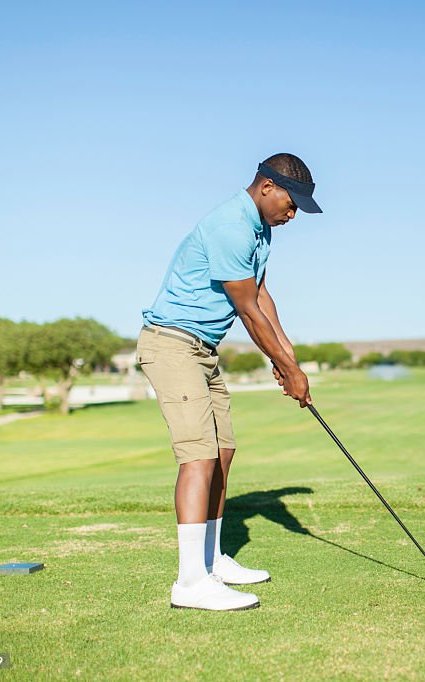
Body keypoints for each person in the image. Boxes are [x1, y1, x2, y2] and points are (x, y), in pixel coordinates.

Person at [137, 153, 321, 611]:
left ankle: (213, 560)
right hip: (173, 345)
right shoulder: (231, 227)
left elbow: (261, 295)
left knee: (222, 452)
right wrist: (288, 370)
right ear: (265, 187)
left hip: (203, 351)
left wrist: (288, 359)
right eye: (291, 202)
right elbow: (246, 310)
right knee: (197, 456)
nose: (293, 213)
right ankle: (189, 583)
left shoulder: (259, 230)